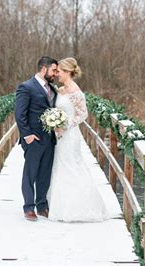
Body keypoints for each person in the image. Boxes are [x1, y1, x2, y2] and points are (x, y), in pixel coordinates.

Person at [47, 57, 109, 222]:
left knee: (72, 166)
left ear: (67, 72)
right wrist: (53, 122)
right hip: (58, 135)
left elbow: (83, 114)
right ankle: (60, 207)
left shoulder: (76, 92)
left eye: (59, 71)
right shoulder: (61, 90)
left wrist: (64, 126)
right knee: (60, 166)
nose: (57, 74)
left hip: (70, 135)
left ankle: (80, 207)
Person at [15, 56, 58, 221]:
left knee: (45, 174)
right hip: (33, 138)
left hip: (50, 139)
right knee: (30, 174)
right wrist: (27, 135)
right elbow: (20, 114)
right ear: (44, 69)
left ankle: (42, 205)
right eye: (53, 70)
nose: (55, 73)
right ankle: (28, 207)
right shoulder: (26, 87)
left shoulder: (52, 89)